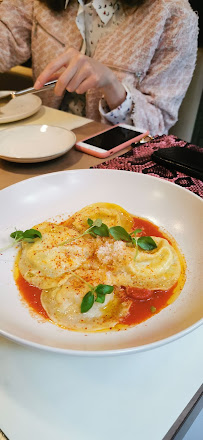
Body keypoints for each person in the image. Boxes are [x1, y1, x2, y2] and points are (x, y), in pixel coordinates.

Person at [0, 0, 198, 136]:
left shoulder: (175, 15)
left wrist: (112, 86)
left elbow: (157, 126)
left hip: (115, 164)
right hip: (36, 141)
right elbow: (5, 36)